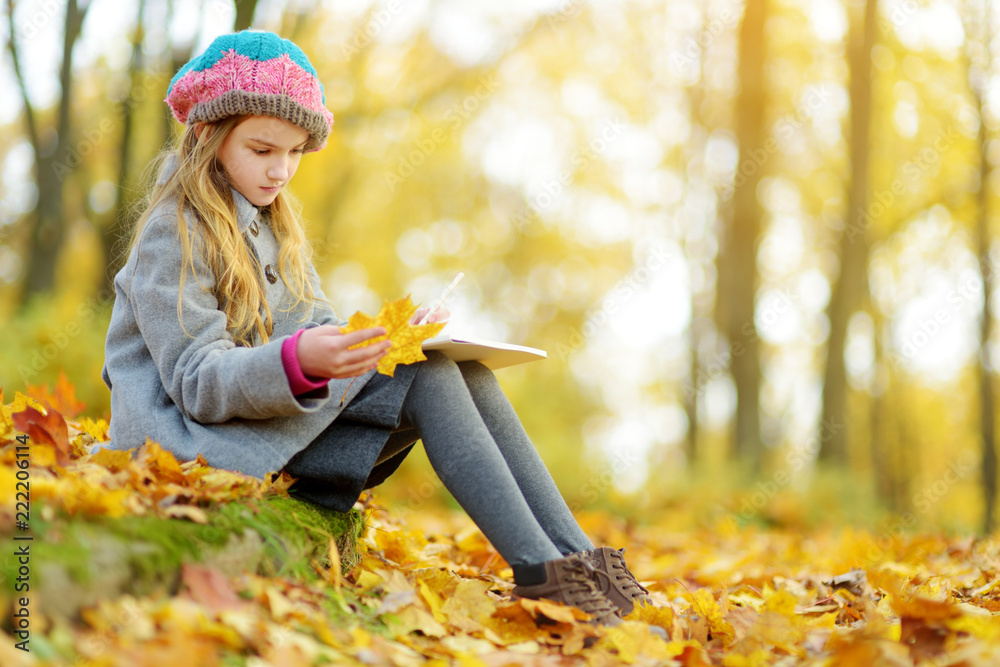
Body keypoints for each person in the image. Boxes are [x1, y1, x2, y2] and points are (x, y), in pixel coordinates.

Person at [100, 29, 651, 626]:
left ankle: (578, 560)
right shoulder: (174, 232)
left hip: (267, 433)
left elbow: (317, 325)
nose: (281, 170)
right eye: (263, 150)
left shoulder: (272, 225)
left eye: (294, 152)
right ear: (208, 134)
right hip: (192, 446)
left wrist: (391, 334)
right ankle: (541, 571)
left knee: (447, 363)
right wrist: (297, 363)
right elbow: (196, 381)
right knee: (430, 375)